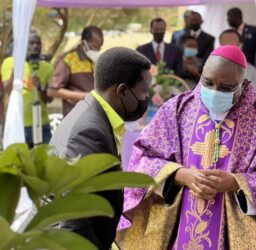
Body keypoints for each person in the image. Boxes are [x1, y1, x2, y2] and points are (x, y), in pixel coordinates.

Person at [117, 45, 256, 249]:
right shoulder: (176, 109)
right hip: (180, 224)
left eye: (225, 88)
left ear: (242, 84)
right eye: (208, 82)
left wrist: (237, 182)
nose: (215, 92)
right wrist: (182, 174)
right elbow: (143, 159)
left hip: (240, 231)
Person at [50, 47, 152, 250]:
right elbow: (75, 221)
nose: (145, 99)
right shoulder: (90, 132)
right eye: (143, 92)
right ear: (122, 91)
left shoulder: (91, 110)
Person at [1, 32, 53, 148]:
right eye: (31, 43)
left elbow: (49, 99)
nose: (35, 46)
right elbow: (7, 90)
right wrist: (17, 67)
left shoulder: (47, 67)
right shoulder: (9, 62)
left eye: (38, 43)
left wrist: (40, 87)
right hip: (18, 124)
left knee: (45, 161)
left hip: (41, 123)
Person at [48, 26, 103, 116]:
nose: (96, 51)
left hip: (95, 115)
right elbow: (52, 91)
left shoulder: (97, 59)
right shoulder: (69, 59)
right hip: (75, 116)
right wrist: (83, 96)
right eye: (94, 48)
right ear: (84, 43)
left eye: (99, 48)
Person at [219, 29, 256, 99]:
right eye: (225, 46)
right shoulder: (211, 69)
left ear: (241, 46)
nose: (229, 49)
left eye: (233, 46)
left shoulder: (251, 70)